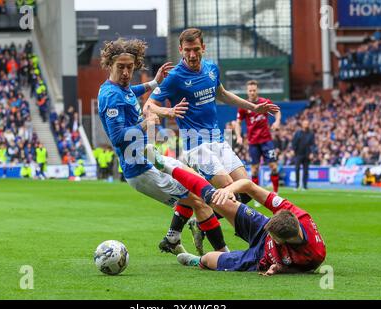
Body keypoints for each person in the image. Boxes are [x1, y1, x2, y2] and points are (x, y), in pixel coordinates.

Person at [145, 28, 279, 252]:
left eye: (196, 49)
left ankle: (203, 221)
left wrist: (253, 106)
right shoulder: (175, 77)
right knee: (227, 188)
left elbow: (223, 94)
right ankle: (258, 242)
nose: (192, 54)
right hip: (195, 145)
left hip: (218, 140)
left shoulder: (211, 69)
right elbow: (148, 105)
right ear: (180, 50)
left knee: (245, 190)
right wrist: (168, 112)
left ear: (203, 48)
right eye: (187, 50)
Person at [98, 38, 229, 255]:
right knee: (199, 199)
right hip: (141, 171)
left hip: (150, 159)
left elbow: (132, 92)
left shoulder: (120, 88)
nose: (125, 72)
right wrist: (146, 123)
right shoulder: (111, 96)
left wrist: (154, 83)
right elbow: (118, 138)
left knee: (195, 185)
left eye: (129, 67)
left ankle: (172, 239)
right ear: (109, 65)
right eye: (120, 67)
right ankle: (225, 256)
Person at [149, 150, 326, 275]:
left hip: (259, 258)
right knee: (214, 197)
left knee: (208, 260)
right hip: (260, 228)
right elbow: (249, 185)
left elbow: (306, 269)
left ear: (284, 241)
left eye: (274, 238)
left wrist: (281, 268)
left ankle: (197, 260)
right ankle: (166, 165)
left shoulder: (314, 254)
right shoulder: (296, 214)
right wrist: (229, 190)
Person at [234, 80, 282, 202]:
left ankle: (276, 193)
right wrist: (239, 136)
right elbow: (238, 123)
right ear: (247, 91)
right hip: (253, 142)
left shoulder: (265, 102)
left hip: (266, 140)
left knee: (274, 166)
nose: (252, 92)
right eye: (250, 90)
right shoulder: (244, 106)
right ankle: (257, 196)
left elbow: (277, 111)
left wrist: (277, 122)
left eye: (254, 90)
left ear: (257, 90)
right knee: (255, 169)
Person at [292, 120, 315, 190]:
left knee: (306, 170)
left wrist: (312, 153)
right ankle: (297, 185)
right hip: (298, 154)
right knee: (297, 169)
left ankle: (304, 186)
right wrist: (293, 150)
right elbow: (294, 142)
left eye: (307, 123)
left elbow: (312, 144)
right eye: (305, 123)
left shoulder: (311, 134)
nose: (306, 125)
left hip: (307, 155)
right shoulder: (298, 133)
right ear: (302, 125)